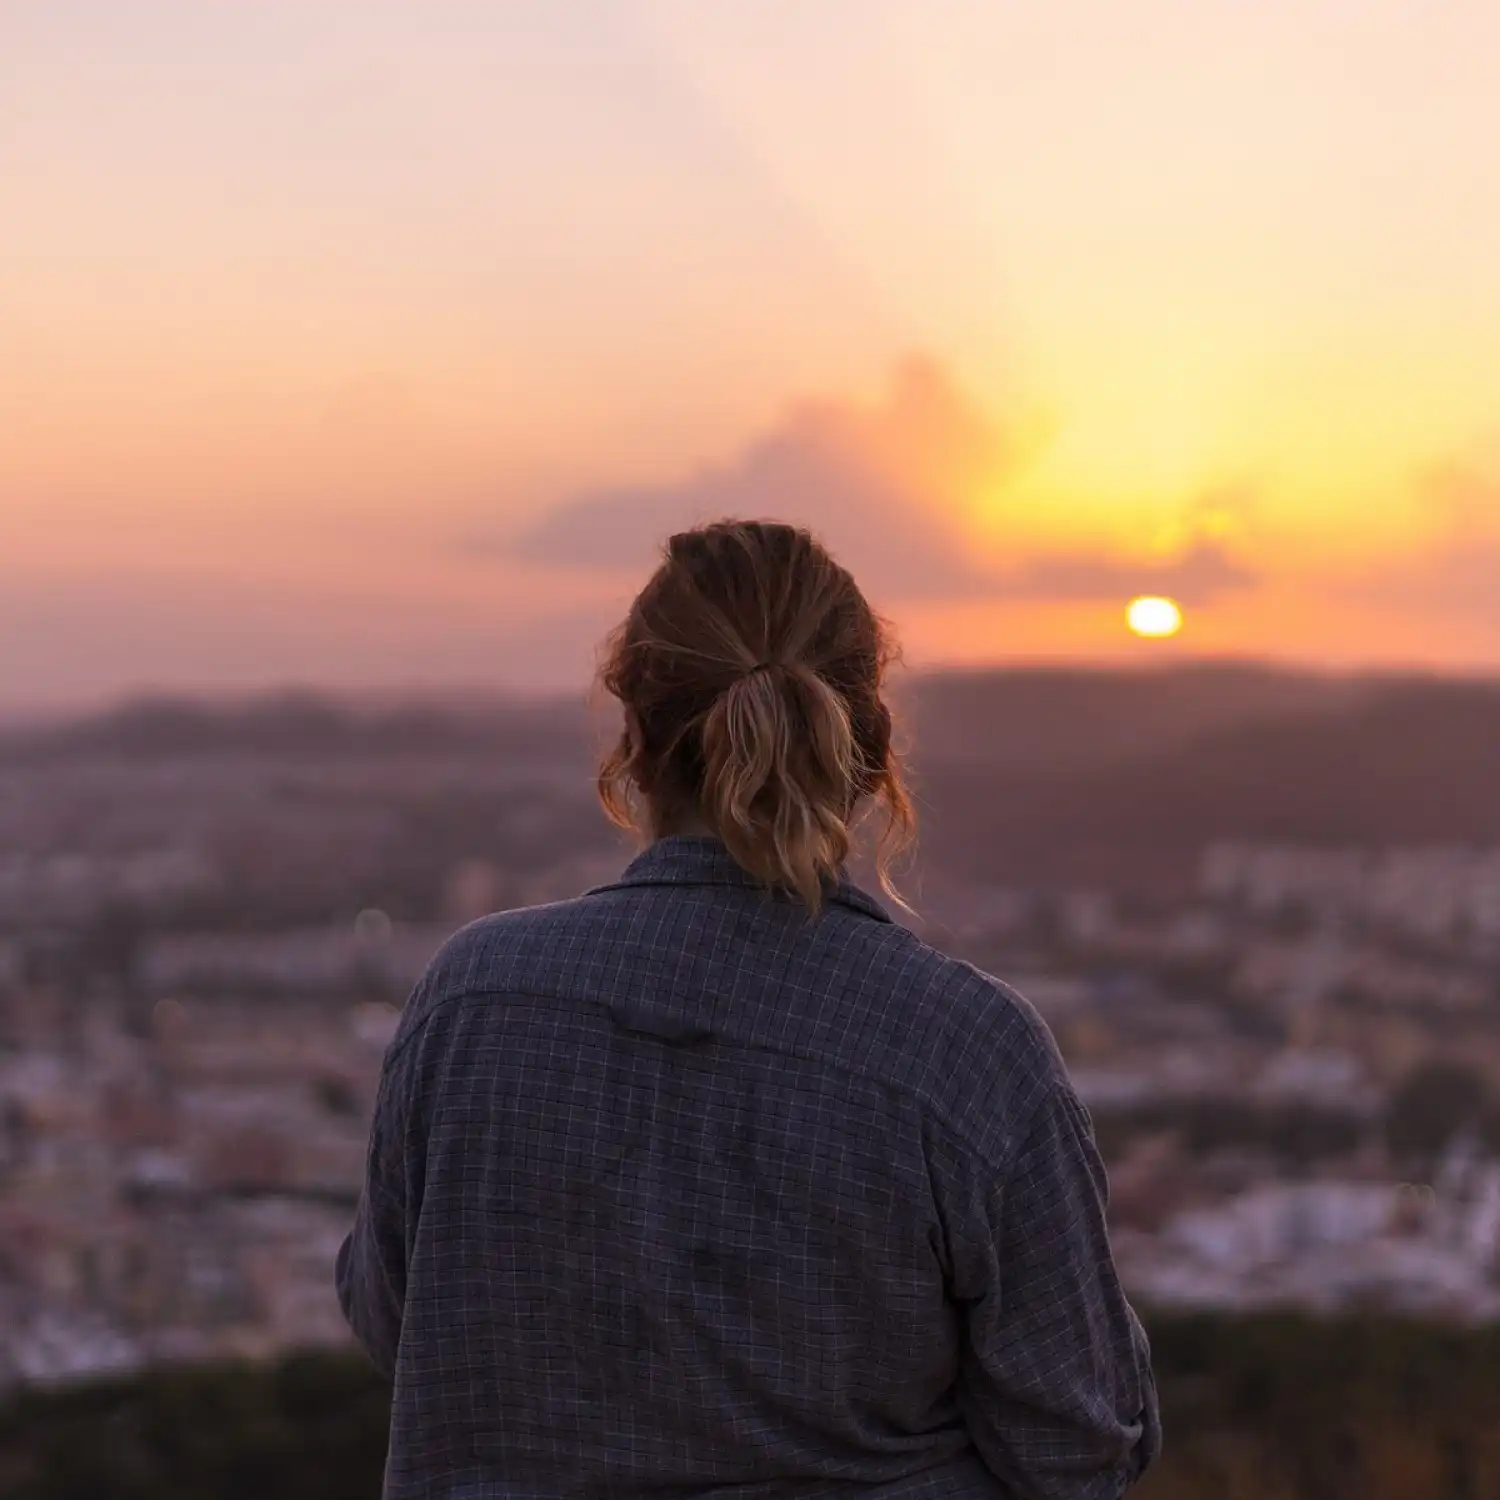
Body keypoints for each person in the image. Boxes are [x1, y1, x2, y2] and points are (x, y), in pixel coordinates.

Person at [337, 519, 1160, 1500]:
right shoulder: (963, 1051)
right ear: (869, 751)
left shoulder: (472, 999)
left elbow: (394, 1316)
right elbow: (1077, 1445)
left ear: (634, 739)